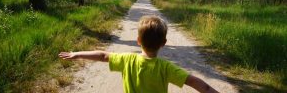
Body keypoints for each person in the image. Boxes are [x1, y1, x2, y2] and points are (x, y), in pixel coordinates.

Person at [59, 15, 219, 93]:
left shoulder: (127, 60)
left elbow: (103, 56)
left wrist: (77, 54)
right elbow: (197, 83)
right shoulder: (166, 68)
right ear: (163, 43)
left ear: (138, 41)